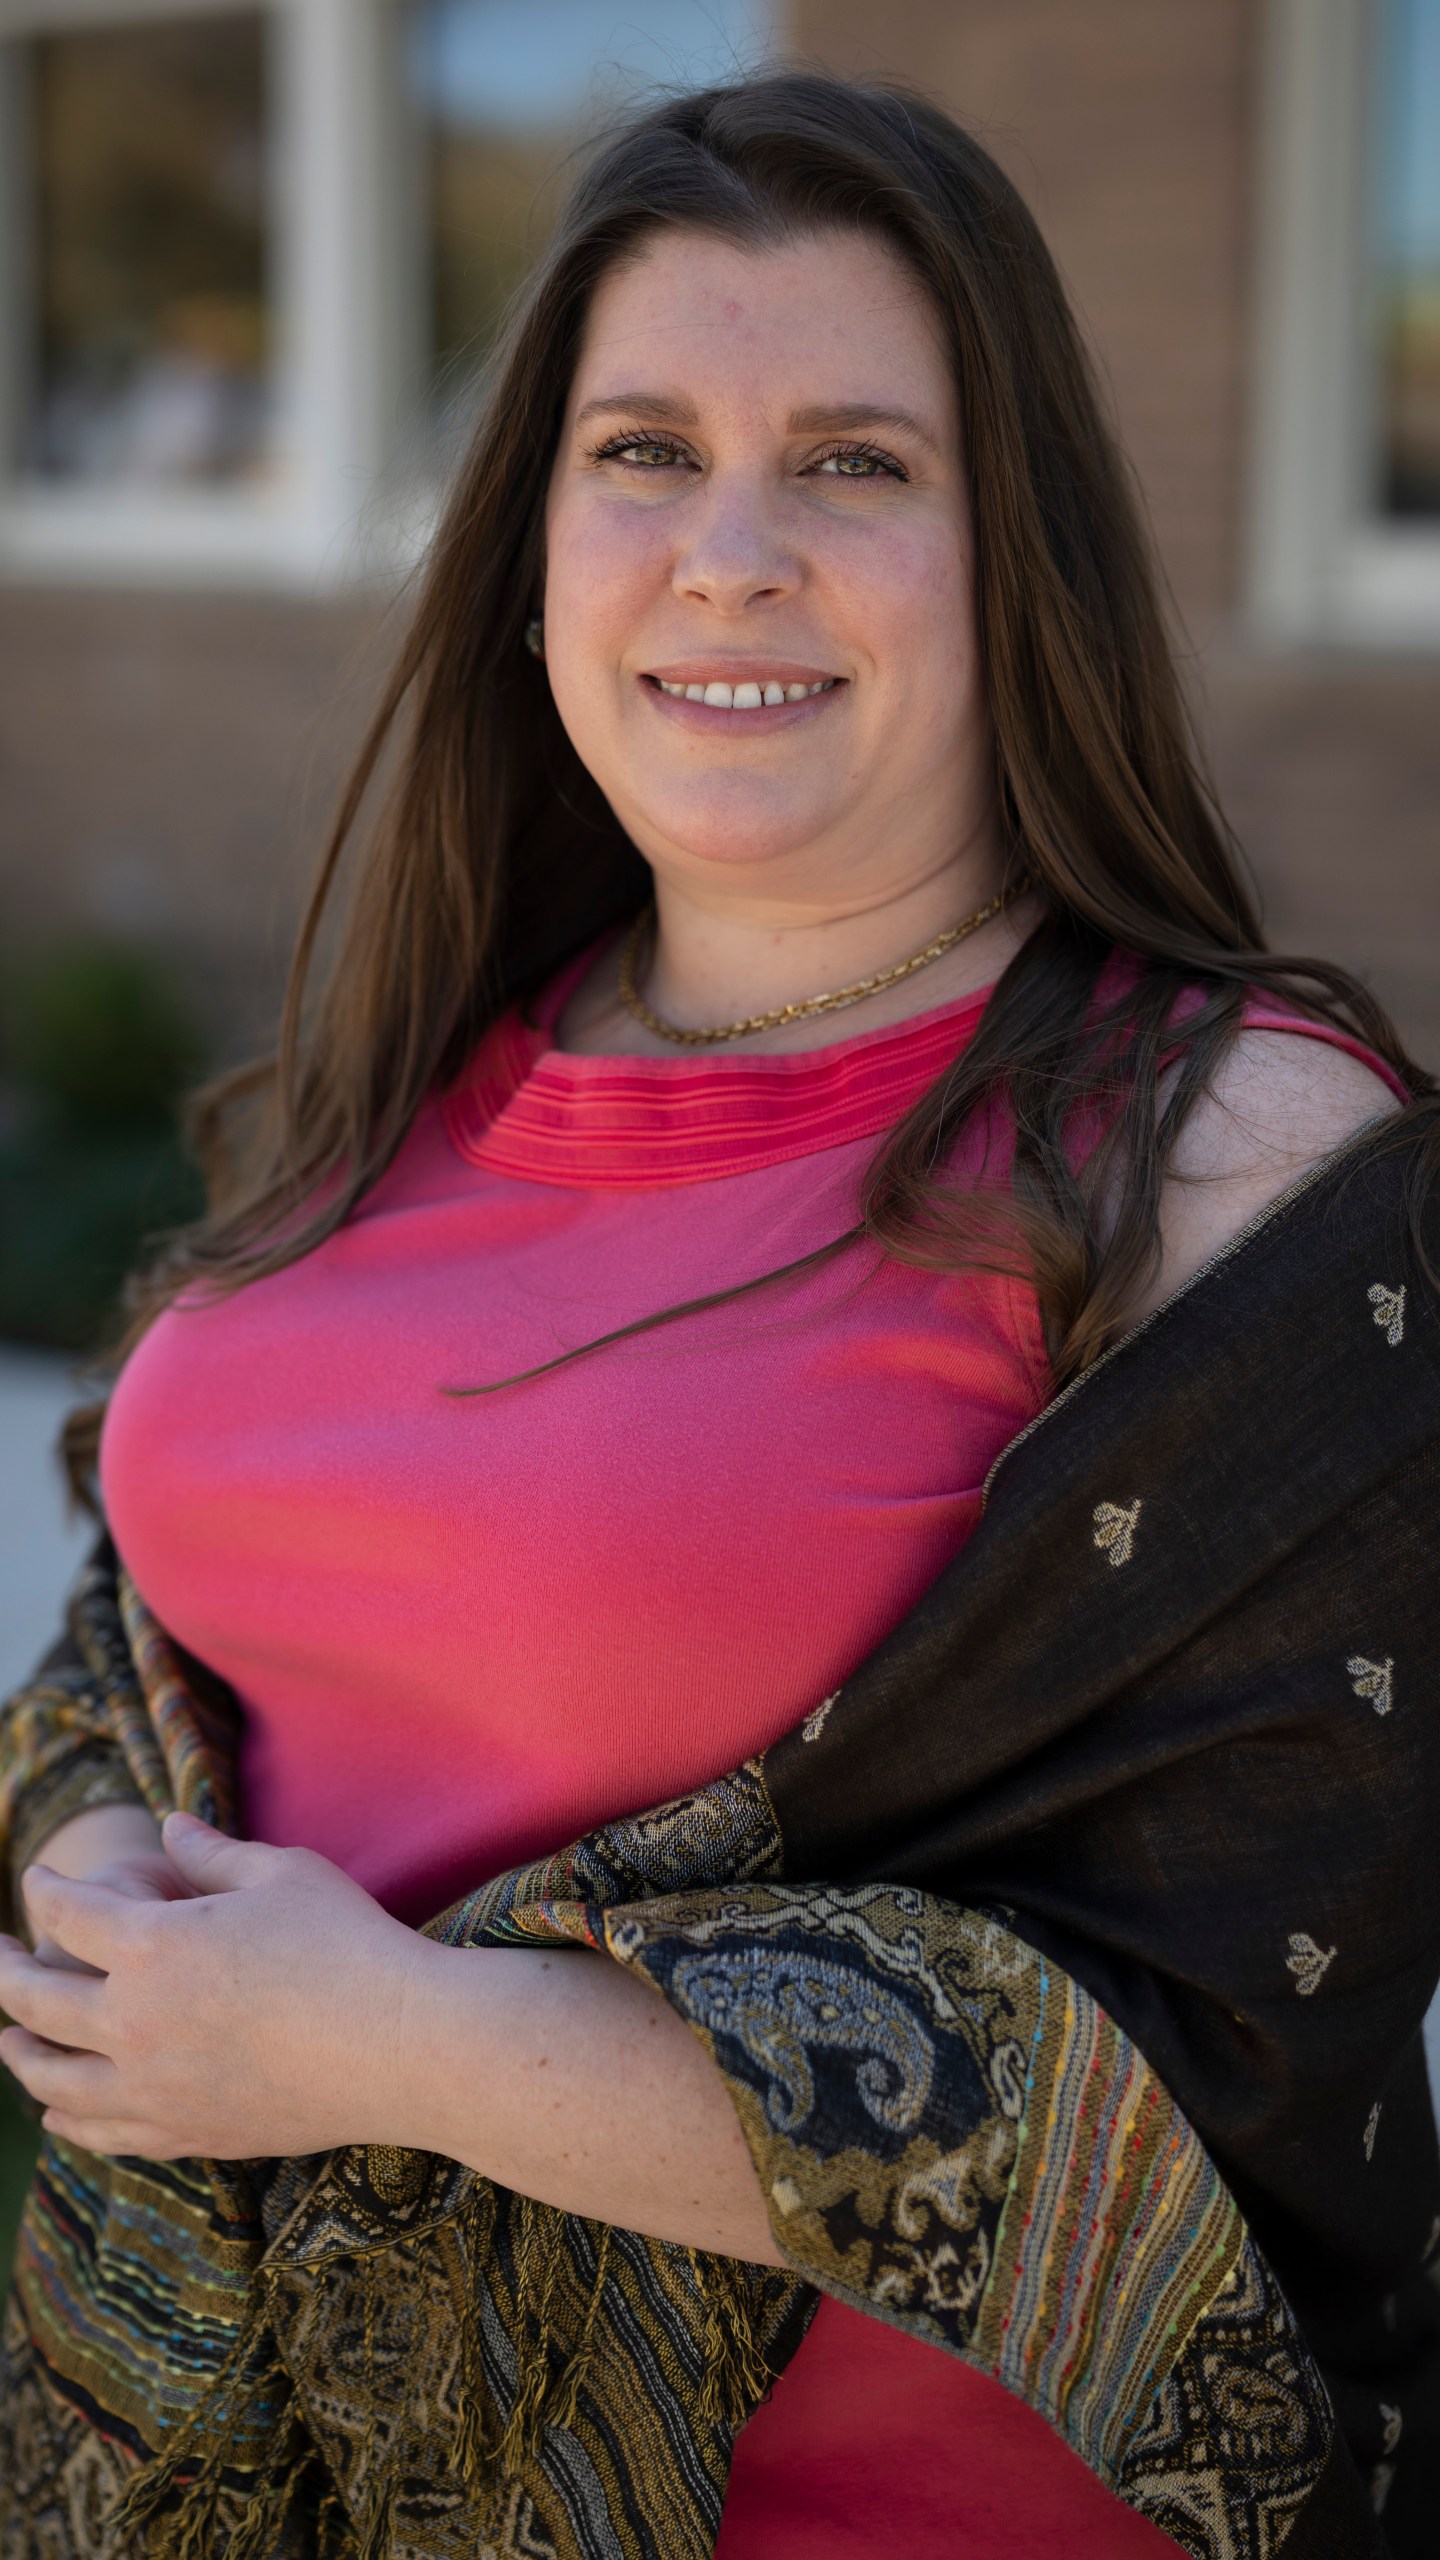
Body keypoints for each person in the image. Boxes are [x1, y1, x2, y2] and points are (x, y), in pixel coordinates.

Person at [2, 71, 1438, 2560]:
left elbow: (1225, 2050)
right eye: (644, 446)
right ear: (535, 549)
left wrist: (389, 2042)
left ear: (1024, 561)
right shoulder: (418, 1061)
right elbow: (165, 1616)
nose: (730, 552)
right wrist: (100, 1838)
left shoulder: (1222, 1142)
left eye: (860, 462)